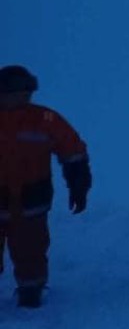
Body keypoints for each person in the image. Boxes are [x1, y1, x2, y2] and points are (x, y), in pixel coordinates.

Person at [0, 65, 91, 308]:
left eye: (27, 91)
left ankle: (31, 293)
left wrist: (78, 185)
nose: (23, 96)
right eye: (17, 92)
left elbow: (73, 151)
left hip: (31, 199)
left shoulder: (45, 119)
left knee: (30, 249)